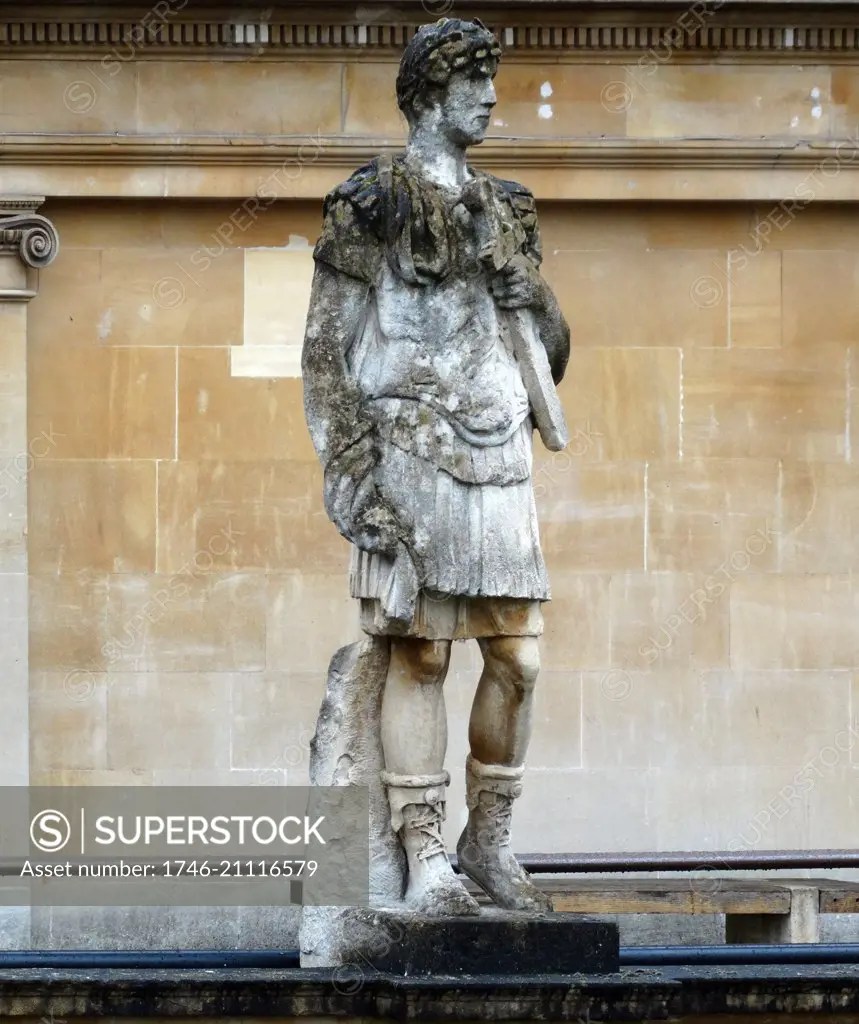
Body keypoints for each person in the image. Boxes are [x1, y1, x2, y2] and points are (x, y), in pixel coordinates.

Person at [302, 17, 570, 916]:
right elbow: (326, 352)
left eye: (491, 77)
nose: (490, 95)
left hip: (498, 449)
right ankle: (424, 858)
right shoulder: (368, 200)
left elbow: (550, 354)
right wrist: (350, 477)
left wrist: (535, 293)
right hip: (408, 443)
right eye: (472, 78)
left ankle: (487, 840)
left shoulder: (509, 209)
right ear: (426, 91)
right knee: (419, 652)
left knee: (520, 657)